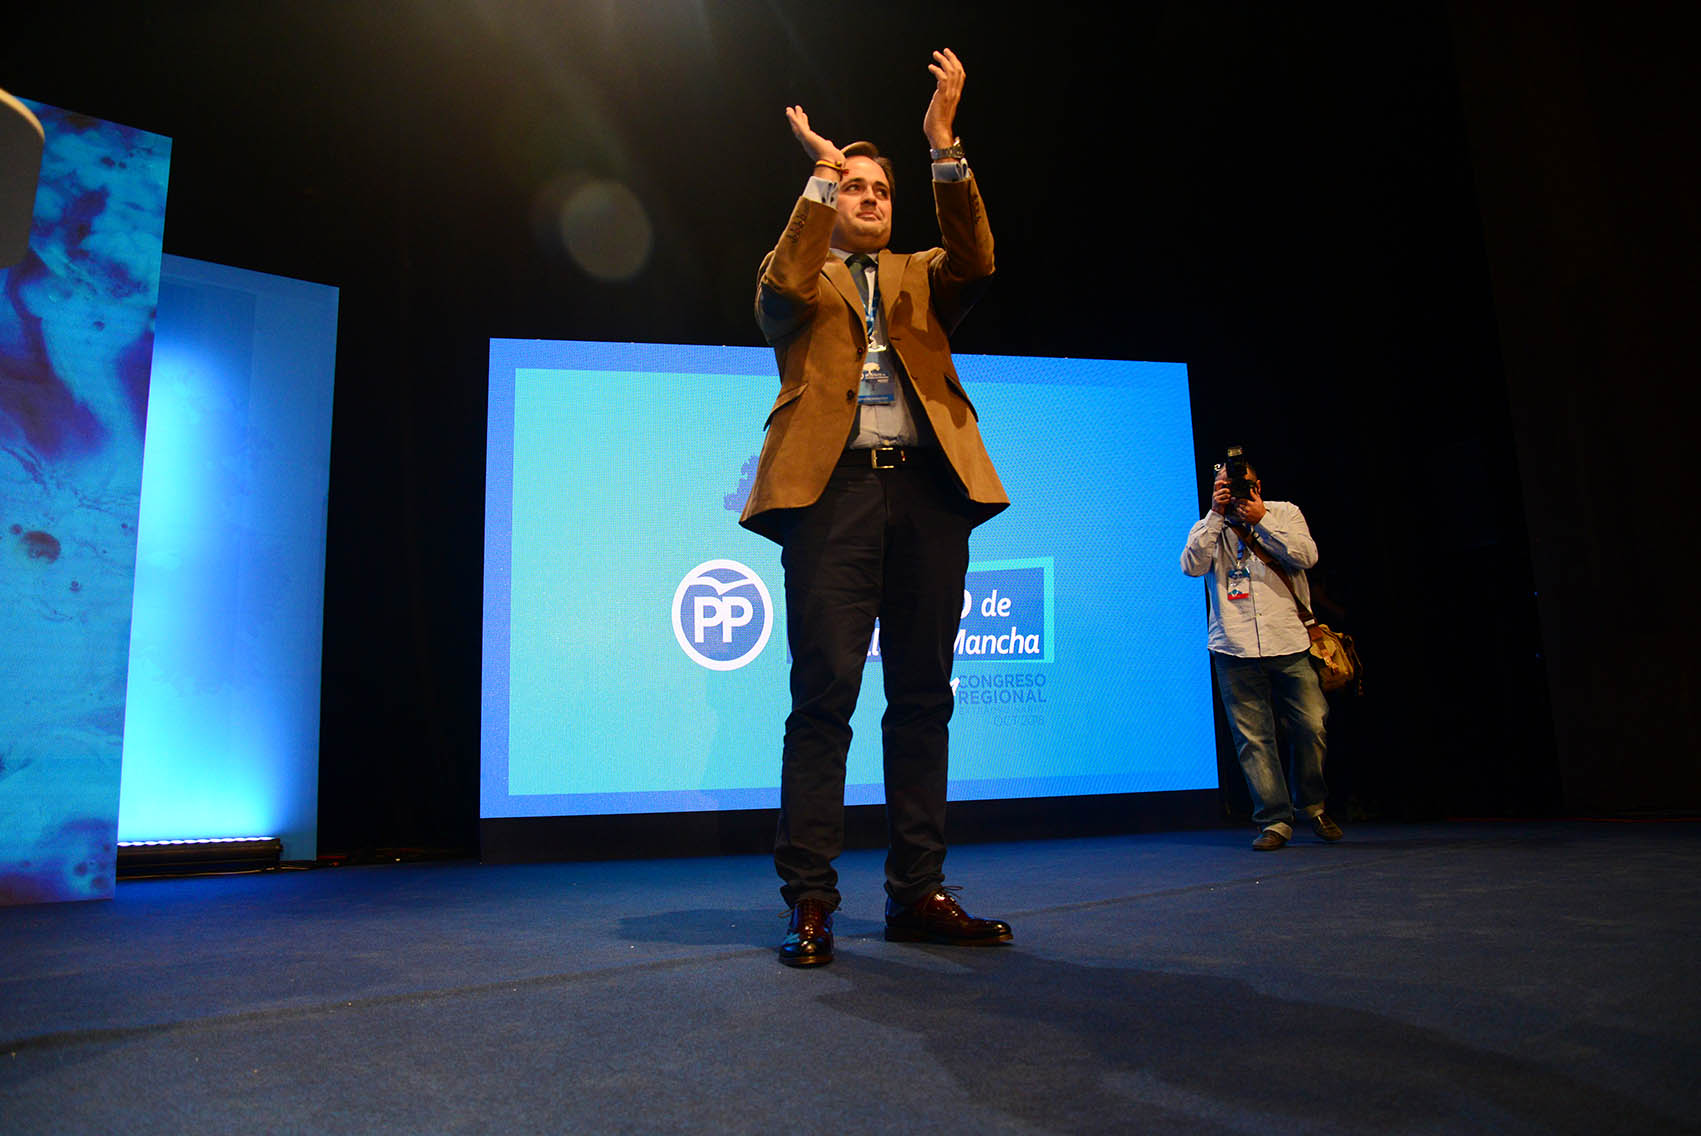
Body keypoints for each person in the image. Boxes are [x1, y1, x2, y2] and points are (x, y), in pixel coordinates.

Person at [740, 49, 1013, 966]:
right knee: (823, 701)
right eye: (851, 185)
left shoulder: (921, 274)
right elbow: (781, 282)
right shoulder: (798, 277)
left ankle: (917, 892)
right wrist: (815, 176)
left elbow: (976, 253)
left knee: (923, 698)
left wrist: (942, 147)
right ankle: (810, 899)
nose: (866, 197)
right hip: (834, 496)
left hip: (928, 494)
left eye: (875, 189)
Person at [1180, 459, 1344, 851]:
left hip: (1289, 641)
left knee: (1312, 724)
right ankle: (1274, 821)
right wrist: (1216, 515)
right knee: (1254, 739)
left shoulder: (1285, 512)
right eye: (1224, 485)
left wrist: (1263, 520)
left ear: (1258, 484)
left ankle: (1314, 804)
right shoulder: (1210, 526)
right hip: (1233, 646)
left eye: (1241, 484)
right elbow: (1191, 565)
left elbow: (1307, 557)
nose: (1233, 491)